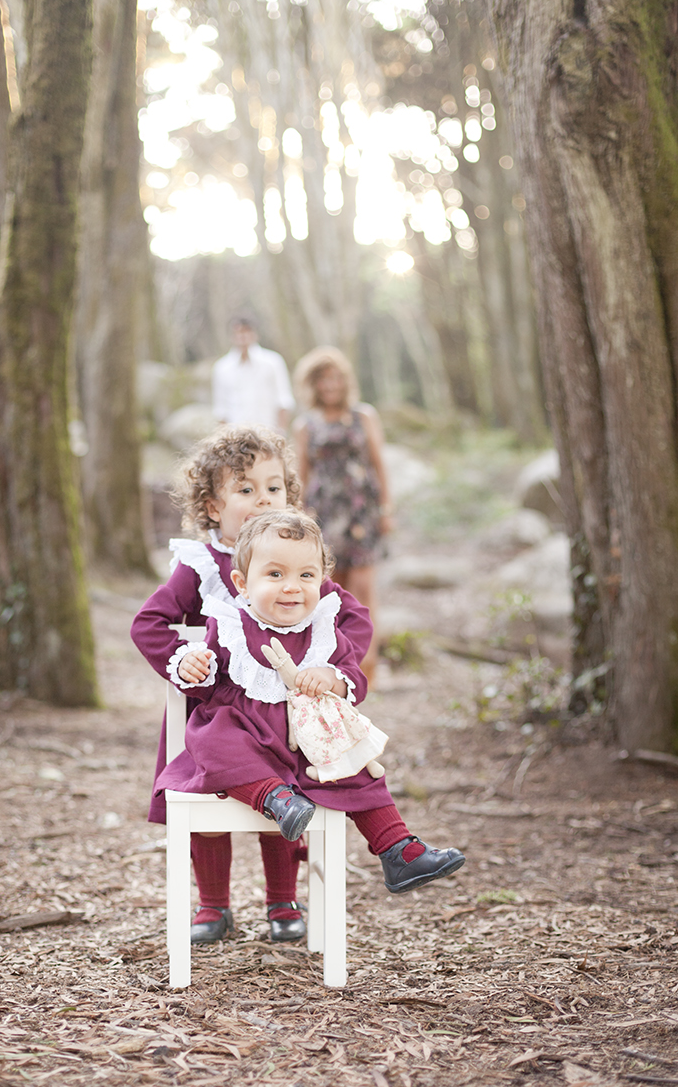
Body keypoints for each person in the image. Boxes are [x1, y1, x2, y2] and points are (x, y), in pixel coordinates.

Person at [131, 425, 374, 944]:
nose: (262, 500)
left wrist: (332, 667)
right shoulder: (200, 566)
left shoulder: (289, 555)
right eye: (245, 490)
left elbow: (347, 617)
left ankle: (283, 902)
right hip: (217, 718)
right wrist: (184, 658)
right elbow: (149, 623)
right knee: (211, 799)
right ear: (213, 506)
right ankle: (213, 906)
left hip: (287, 719)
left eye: (273, 488)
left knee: (288, 796)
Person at [169, 509, 464, 917]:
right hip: (247, 735)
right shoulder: (231, 624)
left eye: (306, 576)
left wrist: (333, 677)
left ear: (322, 583)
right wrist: (192, 667)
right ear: (243, 584)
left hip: (306, 743)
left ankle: (398, 850)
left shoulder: (324, 630)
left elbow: (355, 681)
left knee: (355, 761)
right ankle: (271, 796)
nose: (292, 588)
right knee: (214, 739)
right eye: (275, 575)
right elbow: (208, 683)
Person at [292, 346, 392, 682]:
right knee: (332, 593)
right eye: (323, 379)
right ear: (314, 384)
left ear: (345, 380)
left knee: (364, 589)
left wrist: (386, 509)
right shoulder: (305, 424)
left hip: (361, 512)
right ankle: (337, 666)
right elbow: (301, 474)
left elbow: (379, 464)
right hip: (323, 515)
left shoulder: (364, 416)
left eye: (335, 378)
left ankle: (370, 665)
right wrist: (296, 519)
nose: (330, 385)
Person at [211, 317, 294, 432]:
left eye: (246, 331)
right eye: (238, 332)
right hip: (235, 437)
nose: (242, 336)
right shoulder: (222, 367)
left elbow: (283, 400)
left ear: (254, 334)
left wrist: (280, 434)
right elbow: (221, 410)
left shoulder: (273, 361)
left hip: (267, 435)